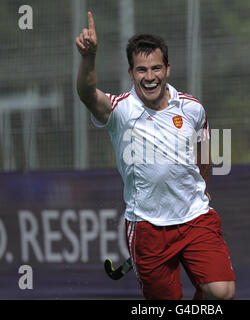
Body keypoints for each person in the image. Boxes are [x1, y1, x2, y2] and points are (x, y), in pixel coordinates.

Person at [75, 11, 236, 300]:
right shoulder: (120, 110)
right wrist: (89, 58)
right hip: (147, 228)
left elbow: (204, 154)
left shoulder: (192, 109)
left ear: (168, 69)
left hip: (194, 218)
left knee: (221, 292)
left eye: (156, 68)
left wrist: (205, 187)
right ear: (130, 73)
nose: (150, 77)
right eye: (141, 70)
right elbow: (87, 93)